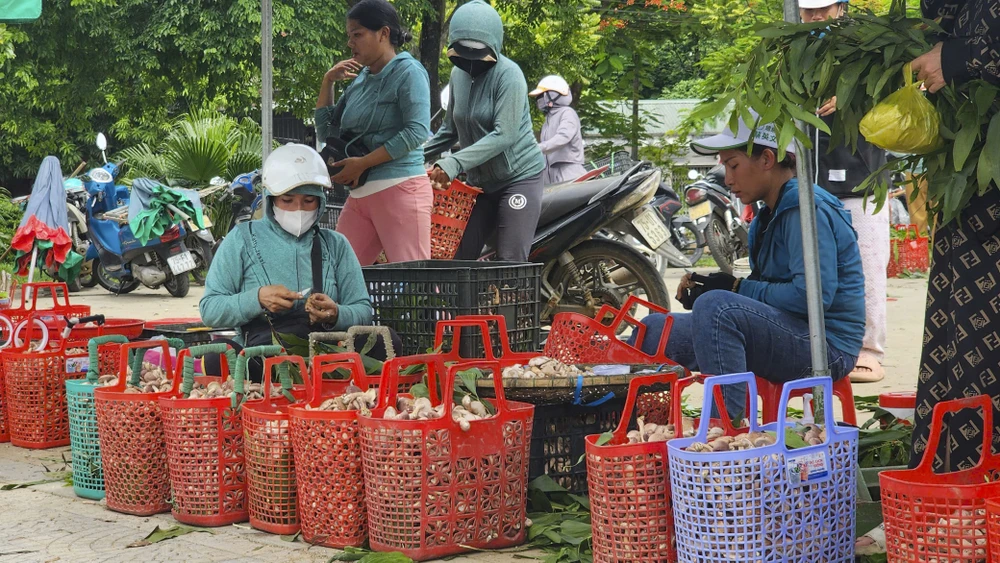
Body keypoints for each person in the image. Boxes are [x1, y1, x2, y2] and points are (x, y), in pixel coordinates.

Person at [628, 114, 865, 419]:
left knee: (718, 308)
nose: (727, 179)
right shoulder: (765, 217)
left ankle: (724, 429)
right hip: (790, 329)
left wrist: (734, 290)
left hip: (826, 348)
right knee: (654, 329)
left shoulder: (804, 209)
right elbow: (763, 293)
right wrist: (711, 289)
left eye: (733, 165)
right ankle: (646, 428)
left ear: (767, 159)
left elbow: (813, 298)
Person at [907, 1, 1000, 469]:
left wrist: (962, 58)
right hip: (969, 195)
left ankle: (977, 498)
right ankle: (946, 494)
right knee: (954, 342)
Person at [199, 144, 373, 378]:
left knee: (385, 341)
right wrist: (257, 299)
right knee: (217, 359)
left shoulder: (336, 244)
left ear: (320, 200)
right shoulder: (242, 238)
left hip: (327, 352)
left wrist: (336, 314)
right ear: (271, 199)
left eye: (309, 200)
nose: (298, 209)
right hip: (264, 353)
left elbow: (363, 310)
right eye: (287, 200)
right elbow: (210, 309)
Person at [800, 0, 890, 385]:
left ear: (842, 7)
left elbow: (895, 93)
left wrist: (856, 94)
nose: (817, 15)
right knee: (813, 267)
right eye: (809, 10)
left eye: (824, 8)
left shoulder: (867, 47)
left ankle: (868, 350)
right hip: (810, 181)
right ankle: (817, 346)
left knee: (867, 265)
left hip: (861, 177)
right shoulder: (791, 53)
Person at [423, 0, 546, 262]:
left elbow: (506, 134)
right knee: (458, 257)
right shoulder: (458, 76)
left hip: (518, 179)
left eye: (477, 52)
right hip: (479, 186)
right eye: (463, 52)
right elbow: (449, 130)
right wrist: (412, 157)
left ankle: (516, 302)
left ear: (495, 46)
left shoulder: (509, 75)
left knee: (510, 261)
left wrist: (453, 162)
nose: (470, 59)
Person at [314, 0, 432, 265]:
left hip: (400, 189)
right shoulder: (360, 79)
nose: (350, 43)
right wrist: (328, 82)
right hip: (360, 194)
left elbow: (416, 132)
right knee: (335, 272)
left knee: (417, 284)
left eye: (358, 34)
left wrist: (363, 163)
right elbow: (326, 132)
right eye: (349, 36)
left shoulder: (409, 72)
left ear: (384, 33)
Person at [529, 75, 587, 185]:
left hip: (568, 173)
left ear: (552, 95)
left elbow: (563, 137)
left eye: (541, 95)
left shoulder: (567, 113)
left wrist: (538, 148)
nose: (538, 99)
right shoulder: (548, 120)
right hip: (550, 175)